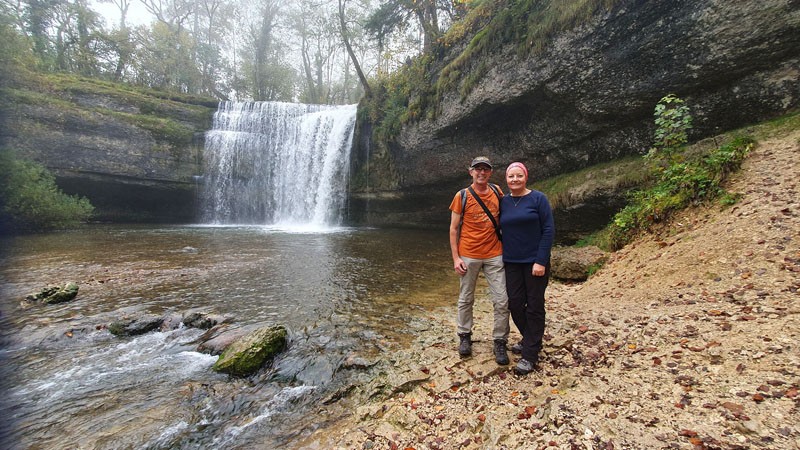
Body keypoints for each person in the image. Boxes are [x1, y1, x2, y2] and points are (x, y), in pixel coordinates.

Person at [448, 156, 510, 365]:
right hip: (468, 254)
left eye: (485, 169)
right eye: (478, 169)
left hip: (495, 254)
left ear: (490, 172)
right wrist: (456, 258)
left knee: (502, 299)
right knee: (466, 298)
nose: (481, 173)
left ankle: (500, 340)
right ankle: (464, 336)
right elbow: (453, 228)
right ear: (471, 172)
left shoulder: (497, 192)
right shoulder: (462, 195)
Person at [499, 162, 555, 375]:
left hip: (535, 262)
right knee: (514, 303)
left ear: (526, 177)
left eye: (518, 176)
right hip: (511, 261)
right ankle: (532, 338)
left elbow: (548, 230)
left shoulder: (538, 198)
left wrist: (540, 260)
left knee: (534, 305)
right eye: (511, 176)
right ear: (506, 179)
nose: (515, 180)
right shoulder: (503, 201)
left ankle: (530, 354)